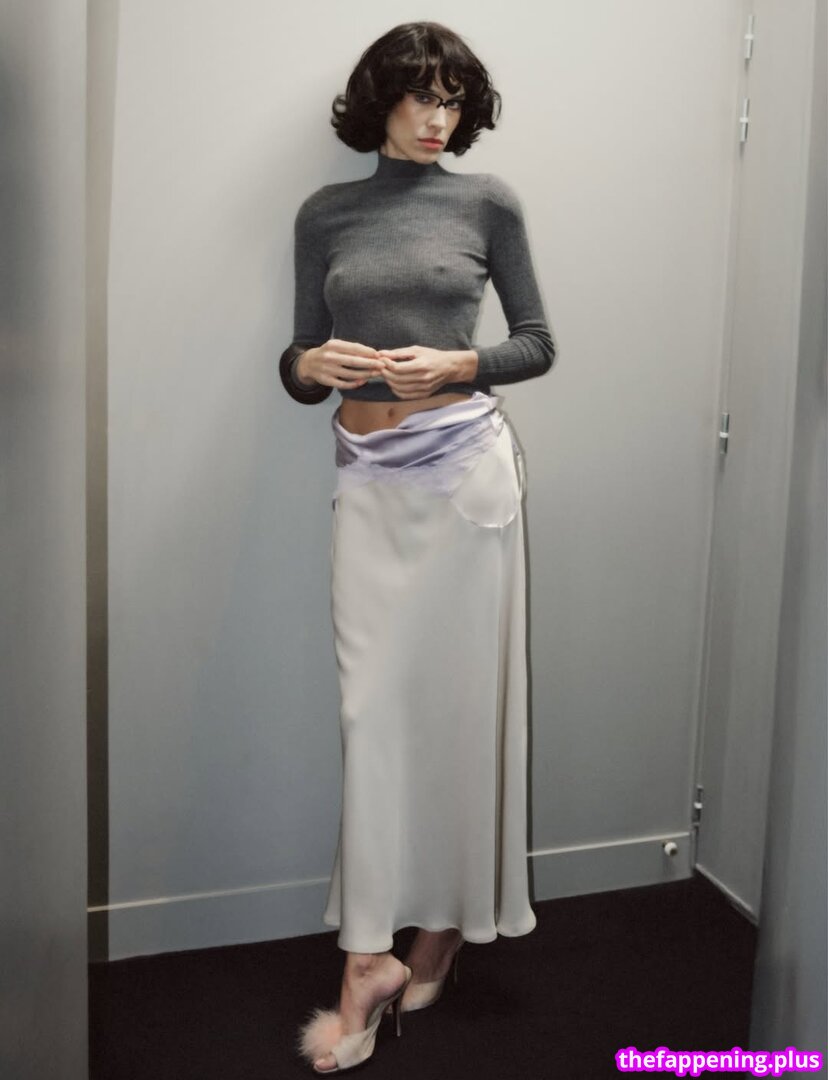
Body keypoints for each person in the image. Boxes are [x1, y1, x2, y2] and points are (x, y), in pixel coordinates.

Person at [283, 21, 556, 1074]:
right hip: (368, 478)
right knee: (370, 714)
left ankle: (426, 936)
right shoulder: (325, 213)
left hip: (464, 480)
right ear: (380, 102)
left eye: (455, 101)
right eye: (422, 97)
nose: (440, 118)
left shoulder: (489, 203)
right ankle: (374, 952)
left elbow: (536, 342)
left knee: (461, 714)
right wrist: (310, 365)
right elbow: (296, 359)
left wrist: (457, 366)